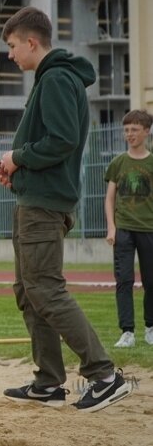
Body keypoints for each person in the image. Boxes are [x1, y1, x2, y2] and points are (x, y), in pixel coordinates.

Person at [0, 6, 131, 412]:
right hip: (34, 198)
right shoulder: (52, 78)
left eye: (13, 46)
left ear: (32, 42)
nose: (11, 54)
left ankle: (104, 375)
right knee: (29, 290)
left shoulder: (55, 78)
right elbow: (50, 148)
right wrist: (17, 172)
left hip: (44, 207)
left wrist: (18, 156)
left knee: (45, 289)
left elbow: (62, 140)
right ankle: (49, 382)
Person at [104, 109, 153, 348]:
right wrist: (111, 227)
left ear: (146, 131)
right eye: (126, 130)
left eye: (134, 130)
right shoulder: (118, 163)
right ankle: (127, 332)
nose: (129, 134)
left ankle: (151, 328)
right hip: (123, 229)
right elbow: (109, 198)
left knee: (151, 280)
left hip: (149, 229)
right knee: (123, 280)